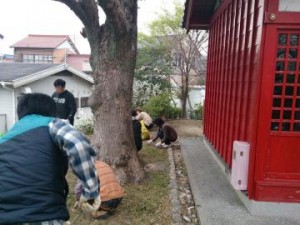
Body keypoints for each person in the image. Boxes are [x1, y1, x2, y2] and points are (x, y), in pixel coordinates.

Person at [0, 93, 100, 225]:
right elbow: (79, 145)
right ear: (52, 112)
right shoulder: (51, 123)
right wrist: (90, 192)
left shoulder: (3, 141)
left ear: (20, 115)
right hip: (44, 214)